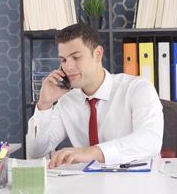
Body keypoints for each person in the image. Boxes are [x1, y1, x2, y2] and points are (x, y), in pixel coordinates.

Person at [26, 23, 163, 169]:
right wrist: (44, 105)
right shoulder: (67, 100)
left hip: (138, 182)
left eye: (76, 57)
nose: (68, 67)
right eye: (64, 60)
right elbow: (36, 151)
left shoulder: (137, 88)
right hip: (88, 184)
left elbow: (150, 140)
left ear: (97, 54)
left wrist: (92, 152)